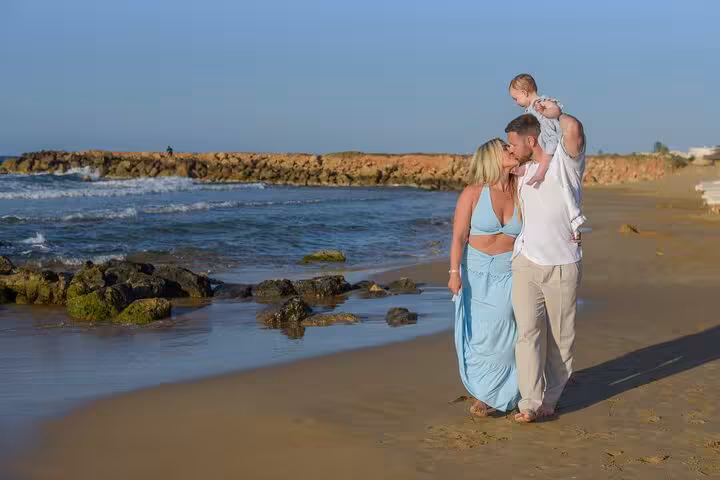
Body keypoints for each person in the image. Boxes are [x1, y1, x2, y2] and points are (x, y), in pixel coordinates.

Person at [504, 112, 586, 423]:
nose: (512, 149)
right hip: (525, 263)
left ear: (530, 140)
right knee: (526, 333)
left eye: (514, 144)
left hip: (563, 263)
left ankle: (551, 398)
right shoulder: (521, 171)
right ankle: (529, 403)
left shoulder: (566, 165)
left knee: (561, 337)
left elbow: (574, 129)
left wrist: (555, 113)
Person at [449, 138, 522, 416]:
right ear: (493, 156)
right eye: (506, 148)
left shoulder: (521, 190)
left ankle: (504, 391)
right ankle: (483, 394)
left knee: (506, 330)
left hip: (509, 270)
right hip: (475, 272)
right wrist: (454, 273)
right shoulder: (473, 193)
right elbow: (457, 236)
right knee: (480, 336)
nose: (511, 150)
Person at [508, 73, 563, 188]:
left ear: (524, 93)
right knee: (533, 153)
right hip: (540, 138)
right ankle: (526, 169)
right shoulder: (528, 110)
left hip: (550, 135)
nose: (515, 102)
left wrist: (544, 111)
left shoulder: (539, 102)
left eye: (516, 98)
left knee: (548, 152)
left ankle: (540, 173)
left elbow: (556, 110)